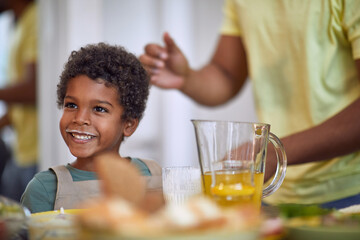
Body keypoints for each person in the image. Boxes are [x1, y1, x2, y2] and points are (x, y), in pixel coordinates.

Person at [140, 0, 360, 209]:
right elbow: (226, 74)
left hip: (349, 193)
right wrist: (187, 79)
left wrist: (273, 153)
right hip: (270, 194)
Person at [21, 43, 162, 213]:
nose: (80, 119)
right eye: (71, 105)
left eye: (99, 109)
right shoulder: (44, 189)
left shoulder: (154, 175)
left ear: (129, 125)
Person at [0, 0, 38, 202]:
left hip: (36, 152)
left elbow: (35, 90)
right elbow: (20, 107)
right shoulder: (20, 25)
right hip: (21, 149)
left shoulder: (36, 18)